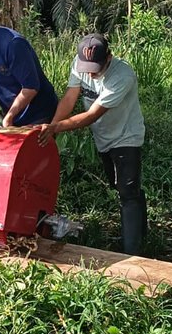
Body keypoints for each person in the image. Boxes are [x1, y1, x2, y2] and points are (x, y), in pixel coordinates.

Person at [39, 32, 147, 255]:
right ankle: (141, 227)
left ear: (109, 57)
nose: (89, 72)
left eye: (94, 67)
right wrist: (52, 126)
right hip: (103, 138)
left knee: (127, 192)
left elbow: (91, 115)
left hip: (126, 136)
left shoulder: (123, 76)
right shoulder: (80, 65)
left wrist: (57, 128)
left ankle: (131, 254)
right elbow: (70, 97)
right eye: (85, 66)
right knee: (120, 186)